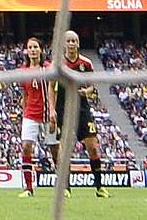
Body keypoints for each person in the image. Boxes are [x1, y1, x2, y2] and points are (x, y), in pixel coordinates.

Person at [49, 30, 110, 199]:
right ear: (63, 44)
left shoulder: (86, 63)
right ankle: (66, 188)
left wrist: (87, 91)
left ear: (78, 44)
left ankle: (99, 187)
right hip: (63, 110)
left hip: (82, 109)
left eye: (74, 41)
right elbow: (51, 88)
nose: (71, 44)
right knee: (64, 150)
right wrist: (52, 110)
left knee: (93, 148)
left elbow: (93, 86)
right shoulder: (57, 64)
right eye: (68, 41)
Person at [16, 37, 53, 199]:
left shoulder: (48, 68)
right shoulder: (23, 71)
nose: (32, 50)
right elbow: (24, 95)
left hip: (48, 114)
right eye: (29, 47)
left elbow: (54, 90)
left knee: (55, 150)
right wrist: (24, 113)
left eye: (35, 47)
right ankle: (29, 188)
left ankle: (64, 187)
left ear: (40, 50)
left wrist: (53, 111)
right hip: (30, 114)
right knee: (26, 147)